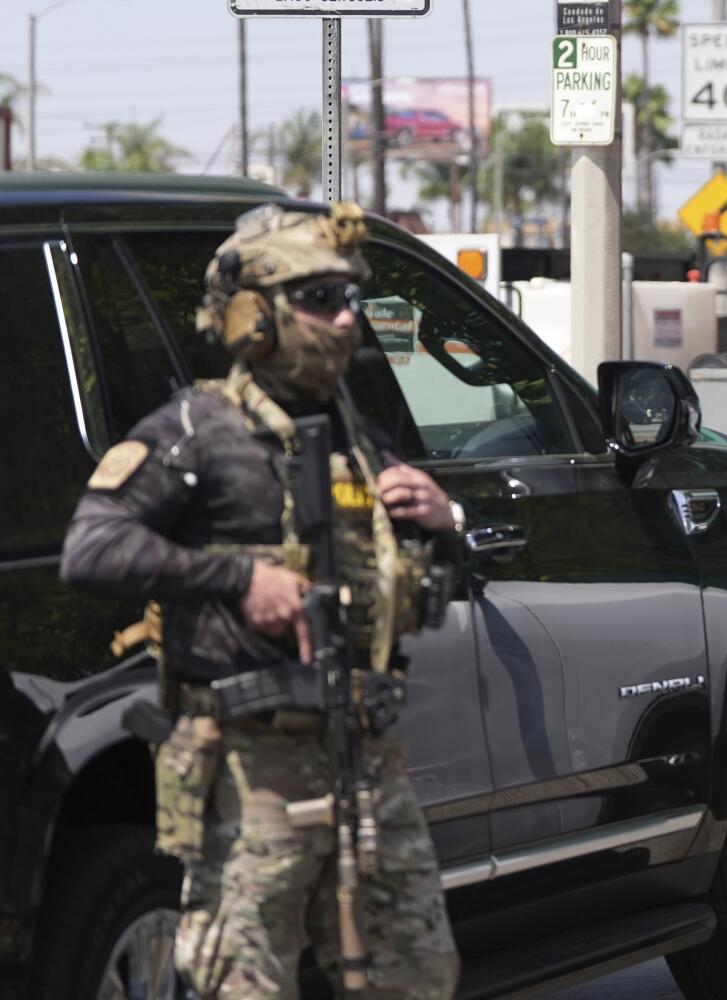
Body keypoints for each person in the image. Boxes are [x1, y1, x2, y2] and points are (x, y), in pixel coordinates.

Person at [61, 203, 461, 999]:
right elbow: (91, 549)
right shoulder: (196, 429)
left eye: (352, 299)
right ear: (254, 313)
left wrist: (448, 523)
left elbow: (420, 586)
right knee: (244, 984)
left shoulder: (356, 432)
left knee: (416, 978)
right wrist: (241, 581)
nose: (346, 319)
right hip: (253, 771)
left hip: (366, 757)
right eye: (320, 298)